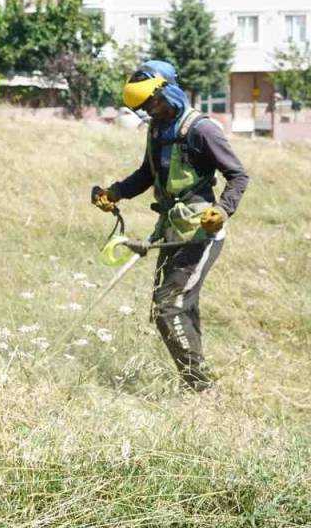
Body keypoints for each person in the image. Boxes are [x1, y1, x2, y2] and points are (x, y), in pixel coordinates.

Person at [91, 60, 249, 392]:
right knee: (179, 306)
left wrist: (223, 209)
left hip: (201, 232)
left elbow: (238, 176)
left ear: (170, 90)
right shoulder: (157, 130)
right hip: (170, 230)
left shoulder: (202, 129)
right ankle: (201, 386)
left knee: (168, 306)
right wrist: (115, 192)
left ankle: (201, 389)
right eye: (143, 108)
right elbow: (147, 175)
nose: (151, 110)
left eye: (153, 102)